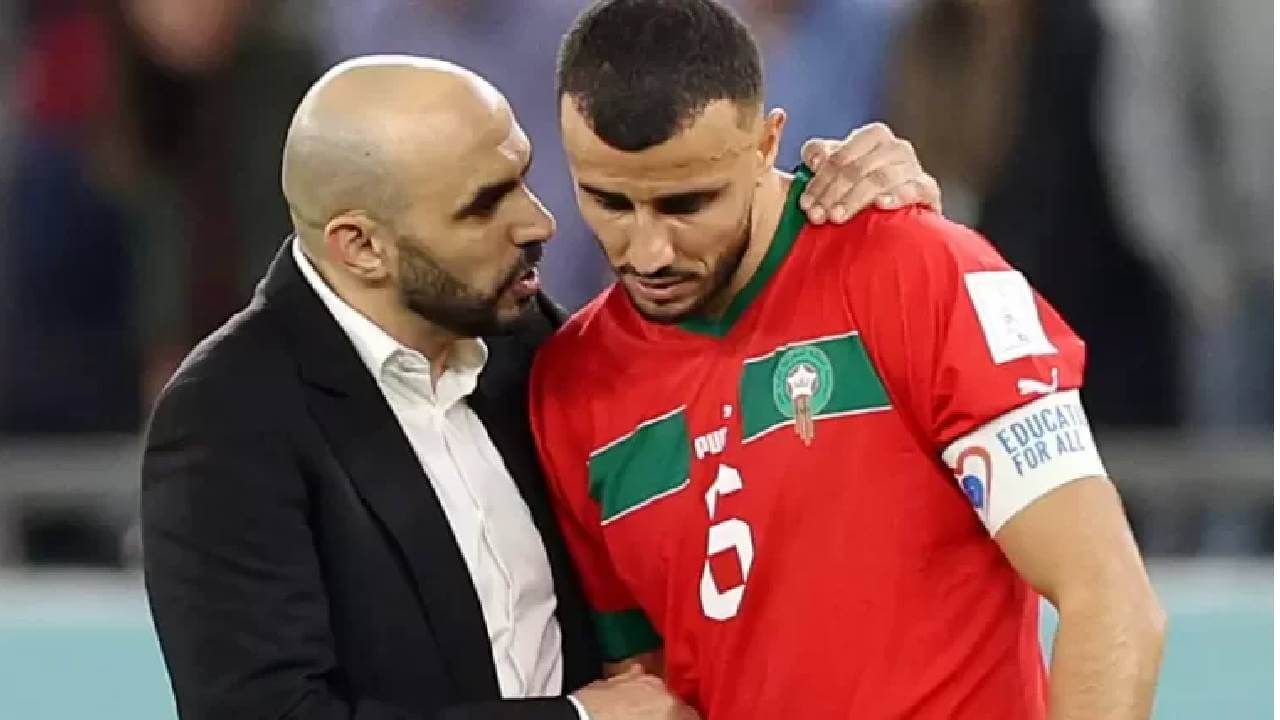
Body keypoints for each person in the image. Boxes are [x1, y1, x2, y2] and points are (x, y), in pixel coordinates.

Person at [140, 54, 941, 719]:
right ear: (361, 247)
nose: (537, 222)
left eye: (521, 177)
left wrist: (855, 224)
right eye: (482, 206)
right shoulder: (227, 418)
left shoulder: (533, 346)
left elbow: (727, 385)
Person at [529, 1, 1166, 718]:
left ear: (767, 143)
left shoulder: (915, 274)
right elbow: (644, 696)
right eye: (610, 202)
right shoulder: (571, 391)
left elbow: (1108, 600)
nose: (649, 252)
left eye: (688, 204)